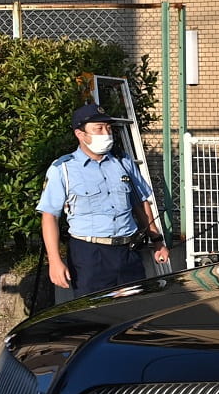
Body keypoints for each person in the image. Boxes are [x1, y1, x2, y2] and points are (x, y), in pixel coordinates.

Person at [39, 102, 169, 302]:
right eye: (98, 128)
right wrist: (55, 262)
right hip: (90, 254)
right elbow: (49, 217)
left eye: (108, 128)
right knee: (94, 315)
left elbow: (141, 203)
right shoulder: (63, 168)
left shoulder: (123, 162)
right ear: (80, 134)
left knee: (134, 311)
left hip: (128, 251)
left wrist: (157, 241)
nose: (106, 133)